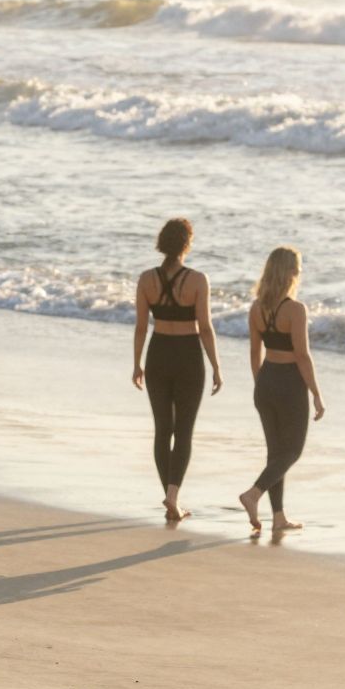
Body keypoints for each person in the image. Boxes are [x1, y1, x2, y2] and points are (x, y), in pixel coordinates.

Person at [131, 217, 222, 522]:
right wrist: (216, 366)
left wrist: (137, 363)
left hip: (158, 354)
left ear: (162, 243)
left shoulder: (146, 279)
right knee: (184, 430)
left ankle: (170, 498)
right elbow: (205, 328)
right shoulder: (198, 280)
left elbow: (141, 327)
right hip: (188, 356)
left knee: (162, 429)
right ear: (187, 244)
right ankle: (173, 496)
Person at [237, 247, 324, 535]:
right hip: (289, 383)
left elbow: (254, 352)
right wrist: (316, 393)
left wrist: (260, 383)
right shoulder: (295, 310)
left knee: (276, 453)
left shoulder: (256, 308)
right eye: (297, 268)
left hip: (266, 379)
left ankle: (278, 517)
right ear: (290, 273)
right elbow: (302, 355)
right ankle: (253, 494)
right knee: (292, 451)